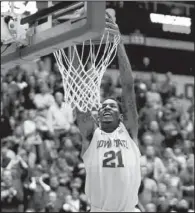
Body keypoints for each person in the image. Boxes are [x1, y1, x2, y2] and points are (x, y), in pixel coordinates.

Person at [76, 16, 141, 212]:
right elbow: (80, 98)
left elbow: (128, 86)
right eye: (103, 106)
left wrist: (118, 42)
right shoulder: (90, 135)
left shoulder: (128, 132)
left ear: (121, 117)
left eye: (112, 106)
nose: (105, 108)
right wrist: (76, 39)